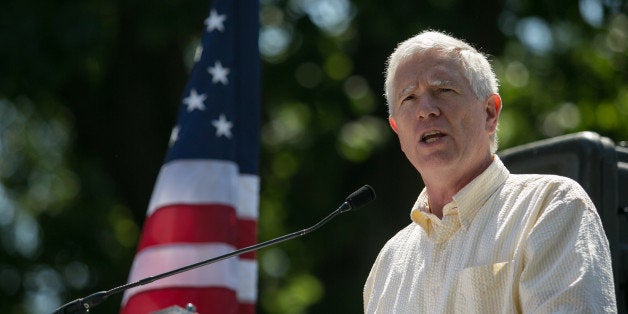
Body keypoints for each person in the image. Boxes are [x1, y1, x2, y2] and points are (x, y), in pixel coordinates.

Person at [363, 30, 617, 313]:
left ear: (490, 113)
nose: (426, 110)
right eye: (408, 98)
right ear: (397, 129)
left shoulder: (551, 206)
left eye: (443, 90)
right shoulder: (388, 265)